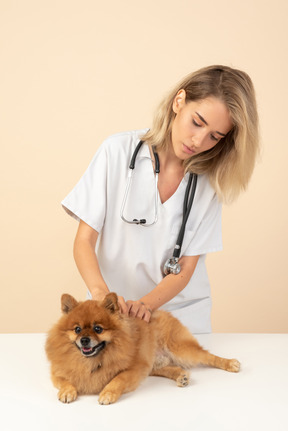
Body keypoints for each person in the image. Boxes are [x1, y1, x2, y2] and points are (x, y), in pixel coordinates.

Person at [62, 65, 259, 334]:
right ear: (179, 101)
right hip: (110, 318)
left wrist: (145, 305)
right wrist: (100, 294)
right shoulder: (116, 152)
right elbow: (84, 240)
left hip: (179, 318)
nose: (199, 140)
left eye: (215, 136)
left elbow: (186, 268)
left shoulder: (209, 182)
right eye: (197, 122)